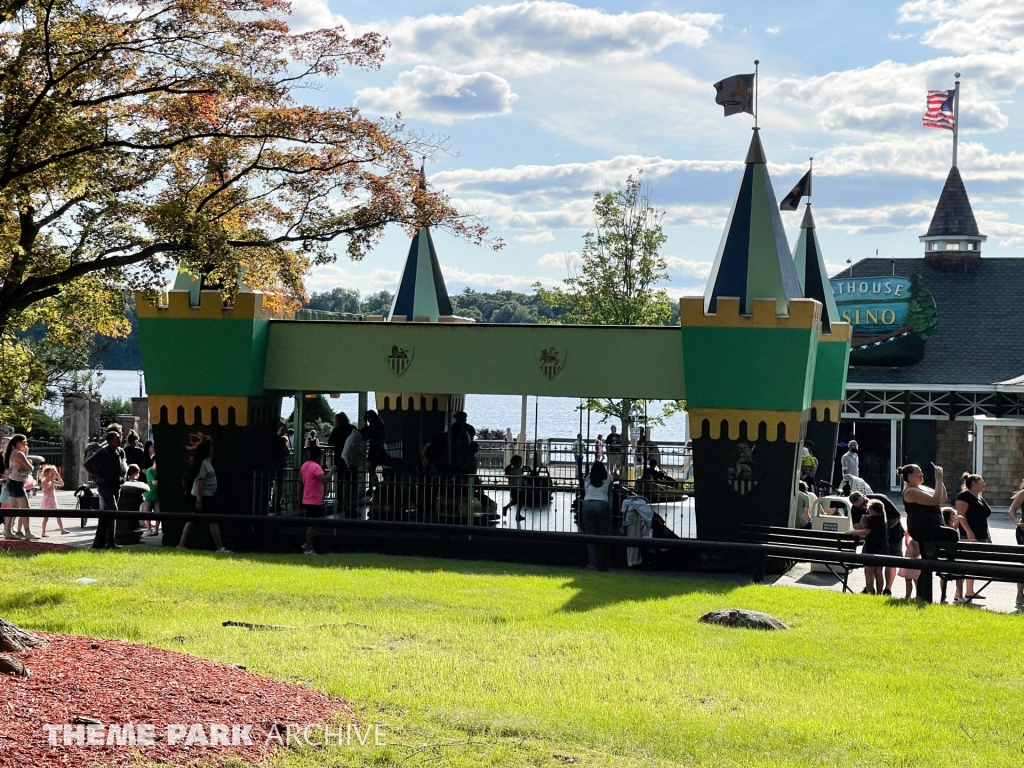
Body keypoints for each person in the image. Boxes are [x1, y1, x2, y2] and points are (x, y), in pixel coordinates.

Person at [177, 436, 230, 552]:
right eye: (210, 448)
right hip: (204, 497)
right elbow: (199, 483)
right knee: (212, 521)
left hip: (204, 496)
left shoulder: (205, 462)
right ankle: (219, 547)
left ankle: (181, 544)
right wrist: (199, 501)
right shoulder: (203, 464)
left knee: (192, 520)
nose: (212, 450)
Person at [848, 491, 903, 594]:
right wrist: (862, 524)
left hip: (893, 533)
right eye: (860, 507)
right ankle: (876, 590)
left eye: (864, 503)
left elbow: (897, 517)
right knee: (877, 570)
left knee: (889, 563)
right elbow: (858, 526)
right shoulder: (858, 510)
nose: (864, 507)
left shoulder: (879, 500)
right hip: (875, 540)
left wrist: (883, 530)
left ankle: (886, 589)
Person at [83, 431, 127, 549]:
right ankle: (110, 541)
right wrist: (98, 477)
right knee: (113, 511)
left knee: (105, 515)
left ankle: (98, 543)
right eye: (116, 438)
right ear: (110, 440)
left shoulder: (120, 452)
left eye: (119, 438)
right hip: (105, 485)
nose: (119, 440)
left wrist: (122, 476)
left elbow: (123, 466)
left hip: (115, 485)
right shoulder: (103, 451)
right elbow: (87, 464)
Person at [956, 473, 992, 601]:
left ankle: (969, 591)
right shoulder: (964, 496)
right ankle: (964, 592)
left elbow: (983, 518)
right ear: (974, 483)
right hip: (969, 536)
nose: (984, 483)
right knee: (967, 563)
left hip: (981, 535)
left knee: (972, 562)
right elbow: (961, 516)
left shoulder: (980, 498)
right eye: (981, 481)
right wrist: (969, 532)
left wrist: (988, 535)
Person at [901, 463, 957, 544]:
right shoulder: (910, 491)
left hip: (933, 526)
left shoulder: (921, 487)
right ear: (910, 476)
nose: (922, 474)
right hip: (922, 528)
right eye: (919, 472)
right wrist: (938, 479)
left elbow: (943, 497)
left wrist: (940, 480)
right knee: (952, 534)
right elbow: (935, 500)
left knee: (951, 535)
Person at [300, 443, 336, 556]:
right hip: (314, 499)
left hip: (306, 498)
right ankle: (309, 548)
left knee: (311, 523)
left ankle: (308, 544)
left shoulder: (304, 465)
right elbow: (324, 479)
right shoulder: (316, 466)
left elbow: (301, 479)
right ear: (319, 456)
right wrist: (332, 471)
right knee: (313, 524)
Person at [580, 461, 615, 571]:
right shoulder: (608, 478)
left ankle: (592, 562)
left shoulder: (586, 477)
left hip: (587, 505)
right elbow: (616, 477)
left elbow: (580, 474)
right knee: (603, 535)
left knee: (590, 536)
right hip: (602, 505)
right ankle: (603, 563)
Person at [848, 499, 888, 594]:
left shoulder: (872, 519)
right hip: (882, 548)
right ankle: (879, 593)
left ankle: (870, 592)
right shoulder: (883, 519)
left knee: (869, 573)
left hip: (872, 548)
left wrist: (852, 532)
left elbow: (865, 532)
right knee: (879, 573)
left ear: (872, 510)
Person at [4, 436, 35, 540]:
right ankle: (27, 532)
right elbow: (30, 468)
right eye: (25, 441)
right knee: (26, 509)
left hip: (12, 482)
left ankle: (7, 531)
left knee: (12, 509)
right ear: (19, 442)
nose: (26, 443)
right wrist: (30, 464)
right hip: (16, 484)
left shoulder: (12, 452)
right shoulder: (18, 453)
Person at [1007, 479, 1024, 609]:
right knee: (1023, 562)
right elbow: (1012, 510)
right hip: (1023, 531)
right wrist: (1017, 523)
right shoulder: (1023, 493)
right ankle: (1020, 594)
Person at [39, 464, 66, 537]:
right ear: (47, 474)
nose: (53, 476)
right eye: (52, 474)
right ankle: (43, 532)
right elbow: (49, 490)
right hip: (47, 501)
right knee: (46, 518)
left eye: (54, 474)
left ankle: (62, 530)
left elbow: (61, 484)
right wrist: (52, 482)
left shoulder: (52, 481)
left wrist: (58, 477)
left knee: (58, 515)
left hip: (53, 501)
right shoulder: (44, 482)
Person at [898, 533, 922, 599]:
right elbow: (907, 545)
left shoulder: (915, 542)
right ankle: (909, 595)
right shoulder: (913, 541)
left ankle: (915, 595)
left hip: (913, 564)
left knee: (914, 581)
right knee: (910, 580)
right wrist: (907, 538)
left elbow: (916, 552)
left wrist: (915, 550)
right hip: (909, 564)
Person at [503, 455, 525, 521]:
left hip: (517, 487)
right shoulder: (515, 471)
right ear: (516, 463)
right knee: (517, 501)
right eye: (519, 462)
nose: (521, 464)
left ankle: (517, 514)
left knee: (518, 501)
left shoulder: (516, 470)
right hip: (516, 488)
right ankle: (507, 508)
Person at [143, 456, 160, 536]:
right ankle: (149, 529)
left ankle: (156, 529)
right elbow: (154, 482)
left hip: (157, 496)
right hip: (149, 495)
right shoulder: (150, 471)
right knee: (147, 513)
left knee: (159, 514)